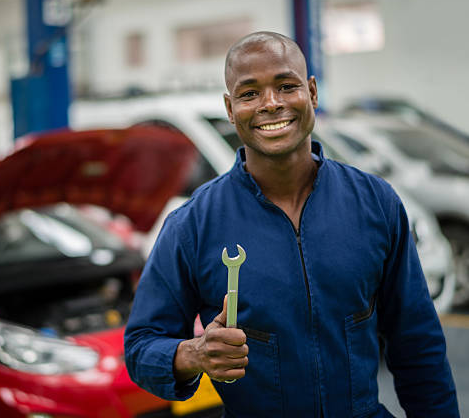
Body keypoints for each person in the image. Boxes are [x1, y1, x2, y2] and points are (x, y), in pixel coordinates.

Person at [124, 31, 459, 417]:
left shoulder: (375, 203)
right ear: (230, 109)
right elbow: (141, 347)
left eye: (286, 86)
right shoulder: (193, 226)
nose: (271, 104)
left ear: (312, 94)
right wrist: (192, 353)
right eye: (249, 93)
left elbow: (418, 344)